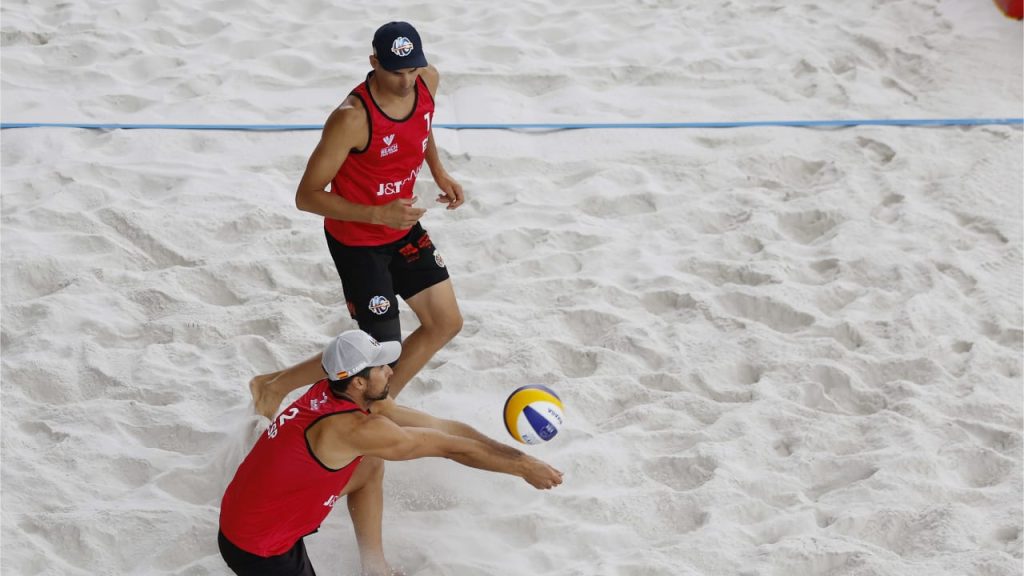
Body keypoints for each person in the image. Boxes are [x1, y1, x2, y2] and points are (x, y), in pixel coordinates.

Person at [220, 330, 564, 576]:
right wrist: (522, 468)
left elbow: (444, 428)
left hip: (257, 508)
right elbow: (451, 448)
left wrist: (520, 457)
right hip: (257, 546)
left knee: (369, 465)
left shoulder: (334, 389)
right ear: (357, 381)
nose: (390, 370)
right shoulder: (357, 429)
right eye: (381, 367)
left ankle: (374, 568)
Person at [254, 21, 464, 419]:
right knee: (377, 351)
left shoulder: (426, 80)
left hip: (402, 226)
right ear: (373, 63)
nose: (406, 82)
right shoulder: (351, 117)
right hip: (358, 241)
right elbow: (306, 196)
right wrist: (377, 213)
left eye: (412, 70)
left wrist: (438, 171)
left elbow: (423, 125)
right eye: (395, 72)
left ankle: (378, 407)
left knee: (445, 322)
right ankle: (274, 384)